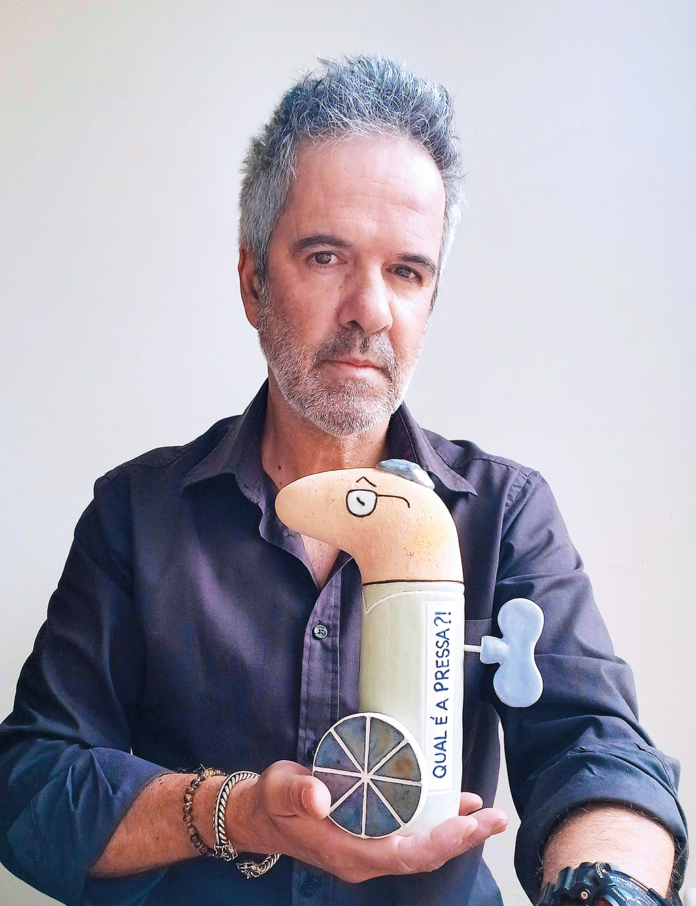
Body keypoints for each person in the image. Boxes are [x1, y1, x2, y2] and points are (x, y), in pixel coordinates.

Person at [0, 56, 687, 906]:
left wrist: (607, 887)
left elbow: (601, 754)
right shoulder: (136, 515)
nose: (371, 308)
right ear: (253, 281)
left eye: (407, 271)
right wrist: (238, 812)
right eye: (327, 257)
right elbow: (31, 786)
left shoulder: (507, 513)